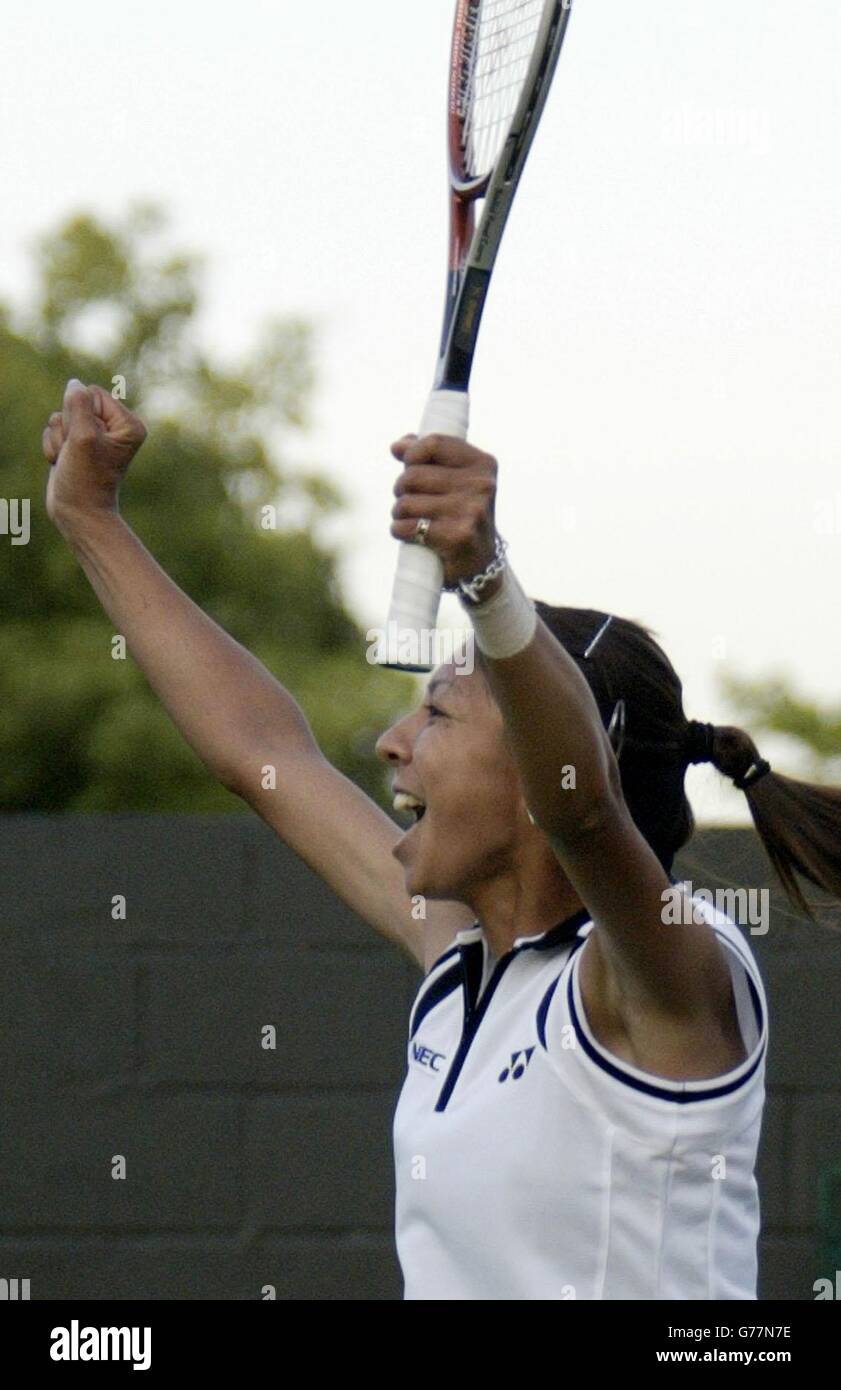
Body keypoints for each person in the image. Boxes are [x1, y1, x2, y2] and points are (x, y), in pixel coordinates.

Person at [41, 380, 841, 1300]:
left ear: (543, 765)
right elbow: (260, 754)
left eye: (439, 714)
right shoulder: (462, 961)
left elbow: (581, 810)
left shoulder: (667, 974)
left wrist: (485, 575)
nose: (393, 741)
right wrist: (91, 518)